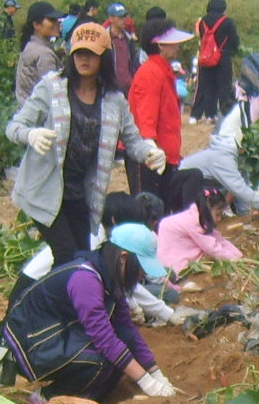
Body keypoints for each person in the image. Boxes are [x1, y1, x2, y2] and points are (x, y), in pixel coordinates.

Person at [9, 22, 166, 265]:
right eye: (80, 53)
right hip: (44, 189)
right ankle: (49, 300)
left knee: (83, 256)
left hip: (80, 191)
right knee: (66, 256)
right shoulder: (52, 87)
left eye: (91, 54)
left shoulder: (114, 100)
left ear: (104, 57)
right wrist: (31, 135)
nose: (85, 59)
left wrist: (150, 151)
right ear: (71, 55)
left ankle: (63, 297)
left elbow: (133, 142)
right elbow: (15, 126)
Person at [0, 226, 176, 402]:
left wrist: (156, 374)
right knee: (102, 361)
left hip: (61, 337)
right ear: (123, 258)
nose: (140, 277)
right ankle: (47, 397)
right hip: (32, 347)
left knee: (120, 348)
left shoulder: (111, 280)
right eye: (141, 270)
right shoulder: (85, 279)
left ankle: (91, 401)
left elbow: (126, 328)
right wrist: (147, 383)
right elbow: (104, 338)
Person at [4, 190, 181, 334]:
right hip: (31, 298)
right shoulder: (97, 241)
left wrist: (164, 313)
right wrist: (141, 309)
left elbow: (124, 285)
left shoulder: (106, 240)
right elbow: (121, 286)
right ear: (114, 221)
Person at [181, 79, 259, 220]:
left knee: (238, 183)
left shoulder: (233, 152)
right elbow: (237, 187)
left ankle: (232, 213)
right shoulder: (225, 158)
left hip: (196, 183)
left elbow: (241, 185)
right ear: (243, 147)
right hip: (182, 187)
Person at [127, 18, 192, 193]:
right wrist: (150, 149)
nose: (177, 46)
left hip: (165, 153)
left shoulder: (162, 69)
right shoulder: (150, 72)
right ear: (161, 45)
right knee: (149, 206)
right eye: (173, 42)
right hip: (151, 156)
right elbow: (145, 115)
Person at [156, 172, 244, 278]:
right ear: (208, 207)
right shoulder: (194, 223)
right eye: (217, 214)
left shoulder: (197, 215)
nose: (219, 219)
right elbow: (213, 248)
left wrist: (238, 255)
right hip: (175, 268)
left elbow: (218, 238)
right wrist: (235, 259)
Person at [193, 0, 242, 120]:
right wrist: (233, 50)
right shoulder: (227, 22)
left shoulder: (203, 21)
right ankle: (225, 113)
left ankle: (210, 114)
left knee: (209, 86)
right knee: (224, 86)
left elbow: (201, 38)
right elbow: (234, 40)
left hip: (206, 58)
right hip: (223, 57)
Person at [14, 1, 62, 104]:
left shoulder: (30, 45)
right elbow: (53, 90)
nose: (57, 23)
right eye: (52, 20)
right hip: (39, 115)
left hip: (26, 110)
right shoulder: (44, 54)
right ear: (36, 24)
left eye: (57, 20)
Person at [104, 3, 141, 94]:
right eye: (120, 17)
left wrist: (133, 79)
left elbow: (134, 61)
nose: (124, 20)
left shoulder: (128, 39)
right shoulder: (104, 38)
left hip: (128, 85)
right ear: (111, 19)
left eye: (125, 16)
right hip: (110, 87)